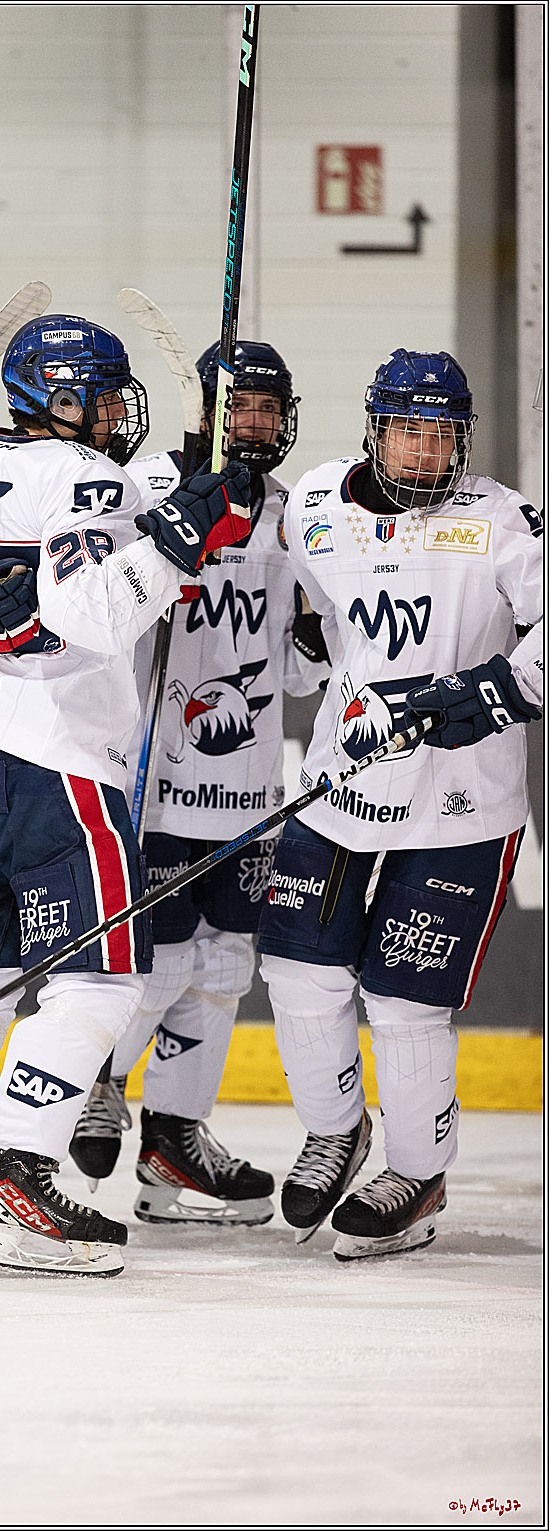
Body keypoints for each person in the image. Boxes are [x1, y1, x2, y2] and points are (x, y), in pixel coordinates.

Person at [0, 312, 252, 1276]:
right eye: (102, 395)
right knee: (102, 979)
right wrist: (177, 541)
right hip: (54, 757)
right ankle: (24, 1181)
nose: (116, 412)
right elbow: (91, 617)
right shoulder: (86, 475)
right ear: (60, 401)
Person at [253, 348, 542, 1260]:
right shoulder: (313, 506)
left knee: (402, 1000)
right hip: (339, 786)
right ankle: (337, 1130)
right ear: (374, 431)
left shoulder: (502, 521)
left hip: (461, 805)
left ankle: (417, 1173)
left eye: (441, 434)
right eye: (408, 431)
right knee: (298, 975)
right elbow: (300, 638)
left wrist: (487, 690)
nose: (425, 452)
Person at [69, 340, 330, 1226]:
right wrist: (179, 513)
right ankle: (93, 1078)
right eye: (238, 405)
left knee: (223, 963)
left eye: (267, 406)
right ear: (206, 412)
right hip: (154, 780)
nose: (253, 422)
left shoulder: (292, 518)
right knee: (158, 956)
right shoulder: (145, 488)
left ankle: (174, 1142)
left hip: (250, 787)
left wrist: (326, 641)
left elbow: (293, 672)